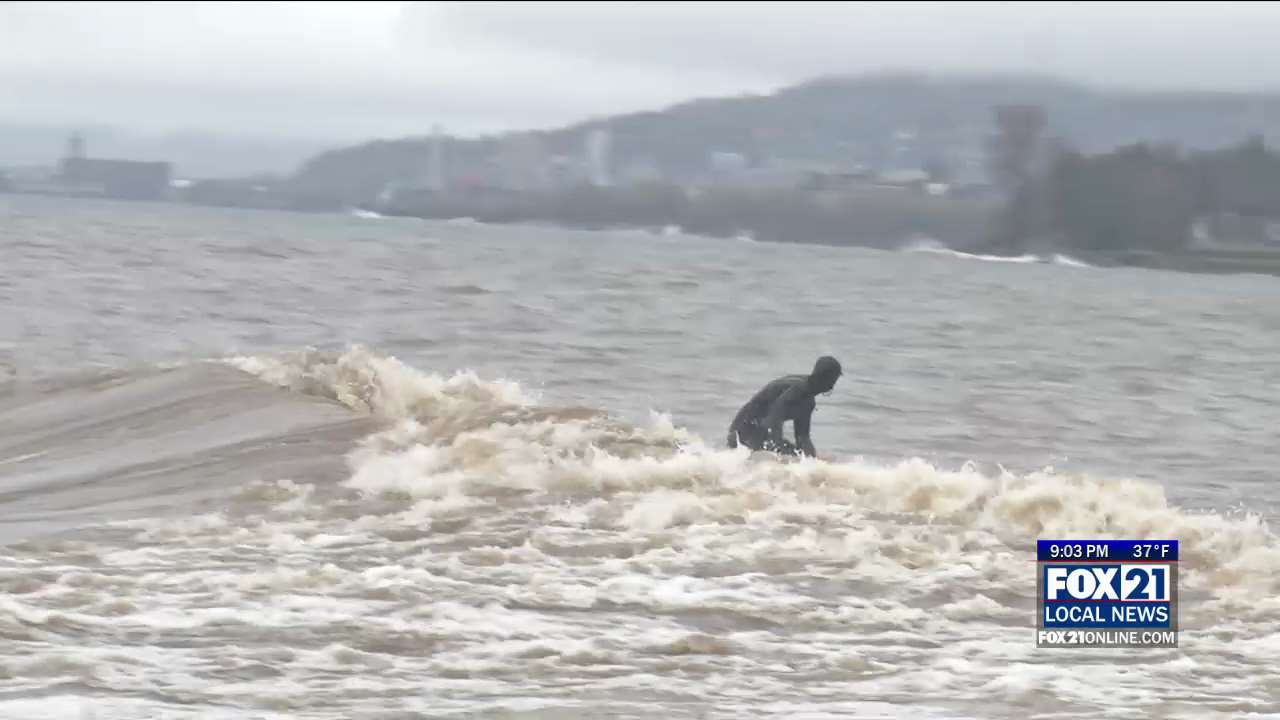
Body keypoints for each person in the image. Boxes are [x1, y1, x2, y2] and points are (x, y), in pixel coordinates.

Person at [726, 356, 842, 458]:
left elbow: (803, 437)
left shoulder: (808, 402)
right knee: (787, 455)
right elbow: (775, 415)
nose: (833, 385)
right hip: (742, 431)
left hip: (758, 430)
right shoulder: (799, 388)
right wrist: (778, 448)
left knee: (795, 455)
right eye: (834, 380)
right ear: (827, 378)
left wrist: (812, 461)